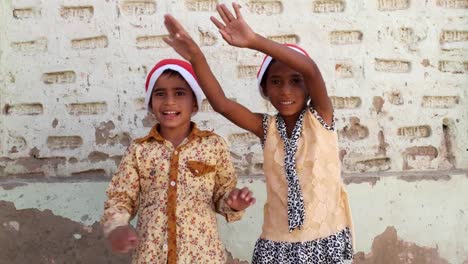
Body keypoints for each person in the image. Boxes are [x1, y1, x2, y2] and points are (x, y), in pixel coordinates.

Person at [162, 3, 354, 263]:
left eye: (295, 81)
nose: (286, 91)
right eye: (276, 82)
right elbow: (222, 104)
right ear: (265, 89)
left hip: (325, 240)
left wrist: (253, 41)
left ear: (308, 87)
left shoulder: (321, 117)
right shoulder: (267, 128)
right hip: (277, 244)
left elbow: (310, 69)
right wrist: (196, 56)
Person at [101, 58, 256, 264]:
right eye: (160, 94)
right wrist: (117, 227)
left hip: (203, 257)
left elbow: (222, 195)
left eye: (179, 93)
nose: (169, 102)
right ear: (150, 102)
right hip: (151, 256)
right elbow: (121, 197)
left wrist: (234, 203)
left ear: (194, 103)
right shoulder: (139, 150)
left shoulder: (213, 145)